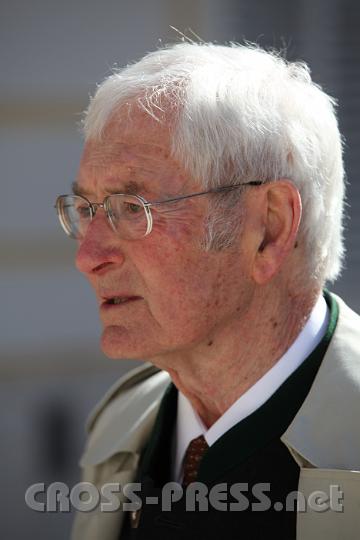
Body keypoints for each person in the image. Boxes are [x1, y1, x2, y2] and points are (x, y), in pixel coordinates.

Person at [55, 42, 360, 539]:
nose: (88, 257)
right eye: (87, 208)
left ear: (269, 230)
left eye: (132, 207)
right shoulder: (123, 423)